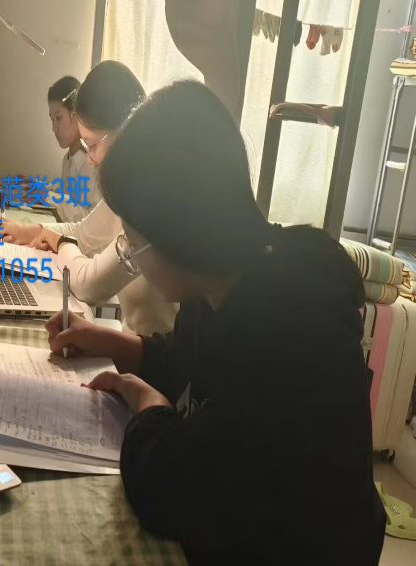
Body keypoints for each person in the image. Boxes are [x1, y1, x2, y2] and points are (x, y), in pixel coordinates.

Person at [45, 81, 386, 564]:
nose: (135, 258)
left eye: (136, 244)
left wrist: (147, 403)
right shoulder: (228, 281)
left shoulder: (289, 322)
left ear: (176, 236)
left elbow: (168, 487)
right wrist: (110, 343)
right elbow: (188, 359)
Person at [2, 61, 178, 336]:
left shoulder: (150, 205)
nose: (92, 159)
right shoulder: (126, 193)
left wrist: (59, 243)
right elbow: (83, 232)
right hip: (132, 349)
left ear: (125, 132)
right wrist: (30, 232)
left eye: (92, 145)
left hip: (149, 357)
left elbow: (88, 285)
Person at [42, 76, 100, 222]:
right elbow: (67, 193)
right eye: (52, 119)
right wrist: (36, 187)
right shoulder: (67, 160)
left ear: (75, 115)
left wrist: (46, 196)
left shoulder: (94, 162)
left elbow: (90, 220)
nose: (54, 128)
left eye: (58, 118)